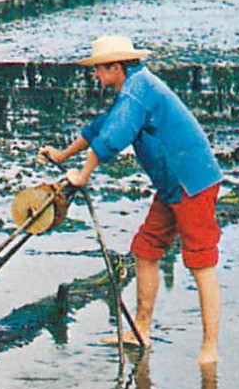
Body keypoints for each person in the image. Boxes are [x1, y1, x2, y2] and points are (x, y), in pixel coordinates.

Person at [38, 35, 224, 364]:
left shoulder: (140, 89)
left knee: (201, 263)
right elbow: (101, 128)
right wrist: (62, 155)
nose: (95, 75)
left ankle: (210, 349)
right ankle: (140, 330)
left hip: (192, 182)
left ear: (116, 66)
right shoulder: (134, 87)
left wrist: (83, 175)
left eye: (99, 69)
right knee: (146, 250)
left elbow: (113, 138)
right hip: (171, 185)